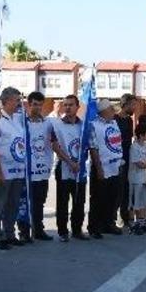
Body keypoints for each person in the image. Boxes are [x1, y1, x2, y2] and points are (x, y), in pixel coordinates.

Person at [0, 87, 24, 250]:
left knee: (13, 204)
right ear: (7, 101)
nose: (19, 103)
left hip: (18, 169)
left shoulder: (17, 118)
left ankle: (10, 234)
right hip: (3, 169)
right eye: (17, 100)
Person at [52, 94, 87, 242]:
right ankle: (62, 231)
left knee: (79, 201)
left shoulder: (83, 125)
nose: (67, 107)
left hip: (80, 169)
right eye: (65, 105)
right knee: (62, 202)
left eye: (71, 105)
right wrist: (70, 162)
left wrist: (80, 163)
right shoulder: (57, 124)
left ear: (77, 107)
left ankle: (77, 230)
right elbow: (55, 146)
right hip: (64, 168)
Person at [88, 99, 124, 238]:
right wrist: (99, 169)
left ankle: (108, 223)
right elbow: (93, 148)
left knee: (112, 198)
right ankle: (94, 227)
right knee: (98, 199)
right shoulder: (94, 125)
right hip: (102, 167)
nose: (113, 111)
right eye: (111, 109)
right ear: (103, 111)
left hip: (116, 166)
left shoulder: (114, 123)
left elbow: (116, 143)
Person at [22, 91, 55, 241]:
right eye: (35, 104)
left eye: (40, 105)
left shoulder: (48, 123)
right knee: (26, 202)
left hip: (43, 170)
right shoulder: (22, 122)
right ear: (29, 105)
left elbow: (54, 142)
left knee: (40, 202)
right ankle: (24, 232)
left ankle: (38, 230)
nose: (38, 108)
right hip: (27, 171)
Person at [115, 94, 137, 228]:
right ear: (125, 104)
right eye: (133, 105)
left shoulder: (129, 120)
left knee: (126, 188)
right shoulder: (114, 119)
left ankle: (125, 217)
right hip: (117, 159)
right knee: (117, 189)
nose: (135, 108)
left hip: (128, 158)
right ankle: (112, 218)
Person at [128, 123, 146, 235]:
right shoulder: (134, 147)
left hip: (145, 178)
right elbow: (139, 164)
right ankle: (134, 224)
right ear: (141, 135)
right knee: (135, 202)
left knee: (144, 201)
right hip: (135, 179)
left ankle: (142, 222)